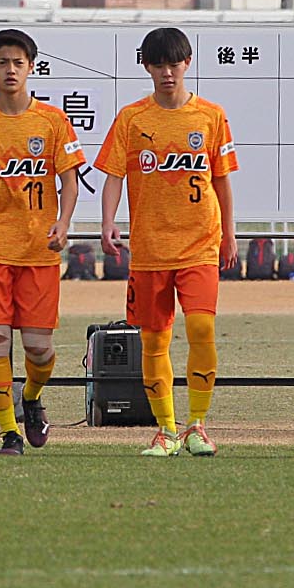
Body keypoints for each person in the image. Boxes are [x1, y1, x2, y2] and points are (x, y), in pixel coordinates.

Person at [96, 27, 239, 457]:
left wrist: (229, 233)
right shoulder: (132, 118)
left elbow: (222, 181)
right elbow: (113, 176)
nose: (167, 72)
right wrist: (107, 222)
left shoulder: (210, 116)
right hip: (150, 248)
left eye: (174, 64)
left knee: (200, 327)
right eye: (158, 65)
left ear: (187, 64)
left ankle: (198, 426)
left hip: (199, 243)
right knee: (154, 340)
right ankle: (166, 430)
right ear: (147, 67)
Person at [0, 28, 83, 457]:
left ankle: (31, 399)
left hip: (39, 251)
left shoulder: (51, 121)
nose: (10, 70)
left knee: (39, 350)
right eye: (2, 62)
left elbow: (69, 179)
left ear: (30, 67)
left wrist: (62, 223)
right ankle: (8, 432)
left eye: (18, 63)